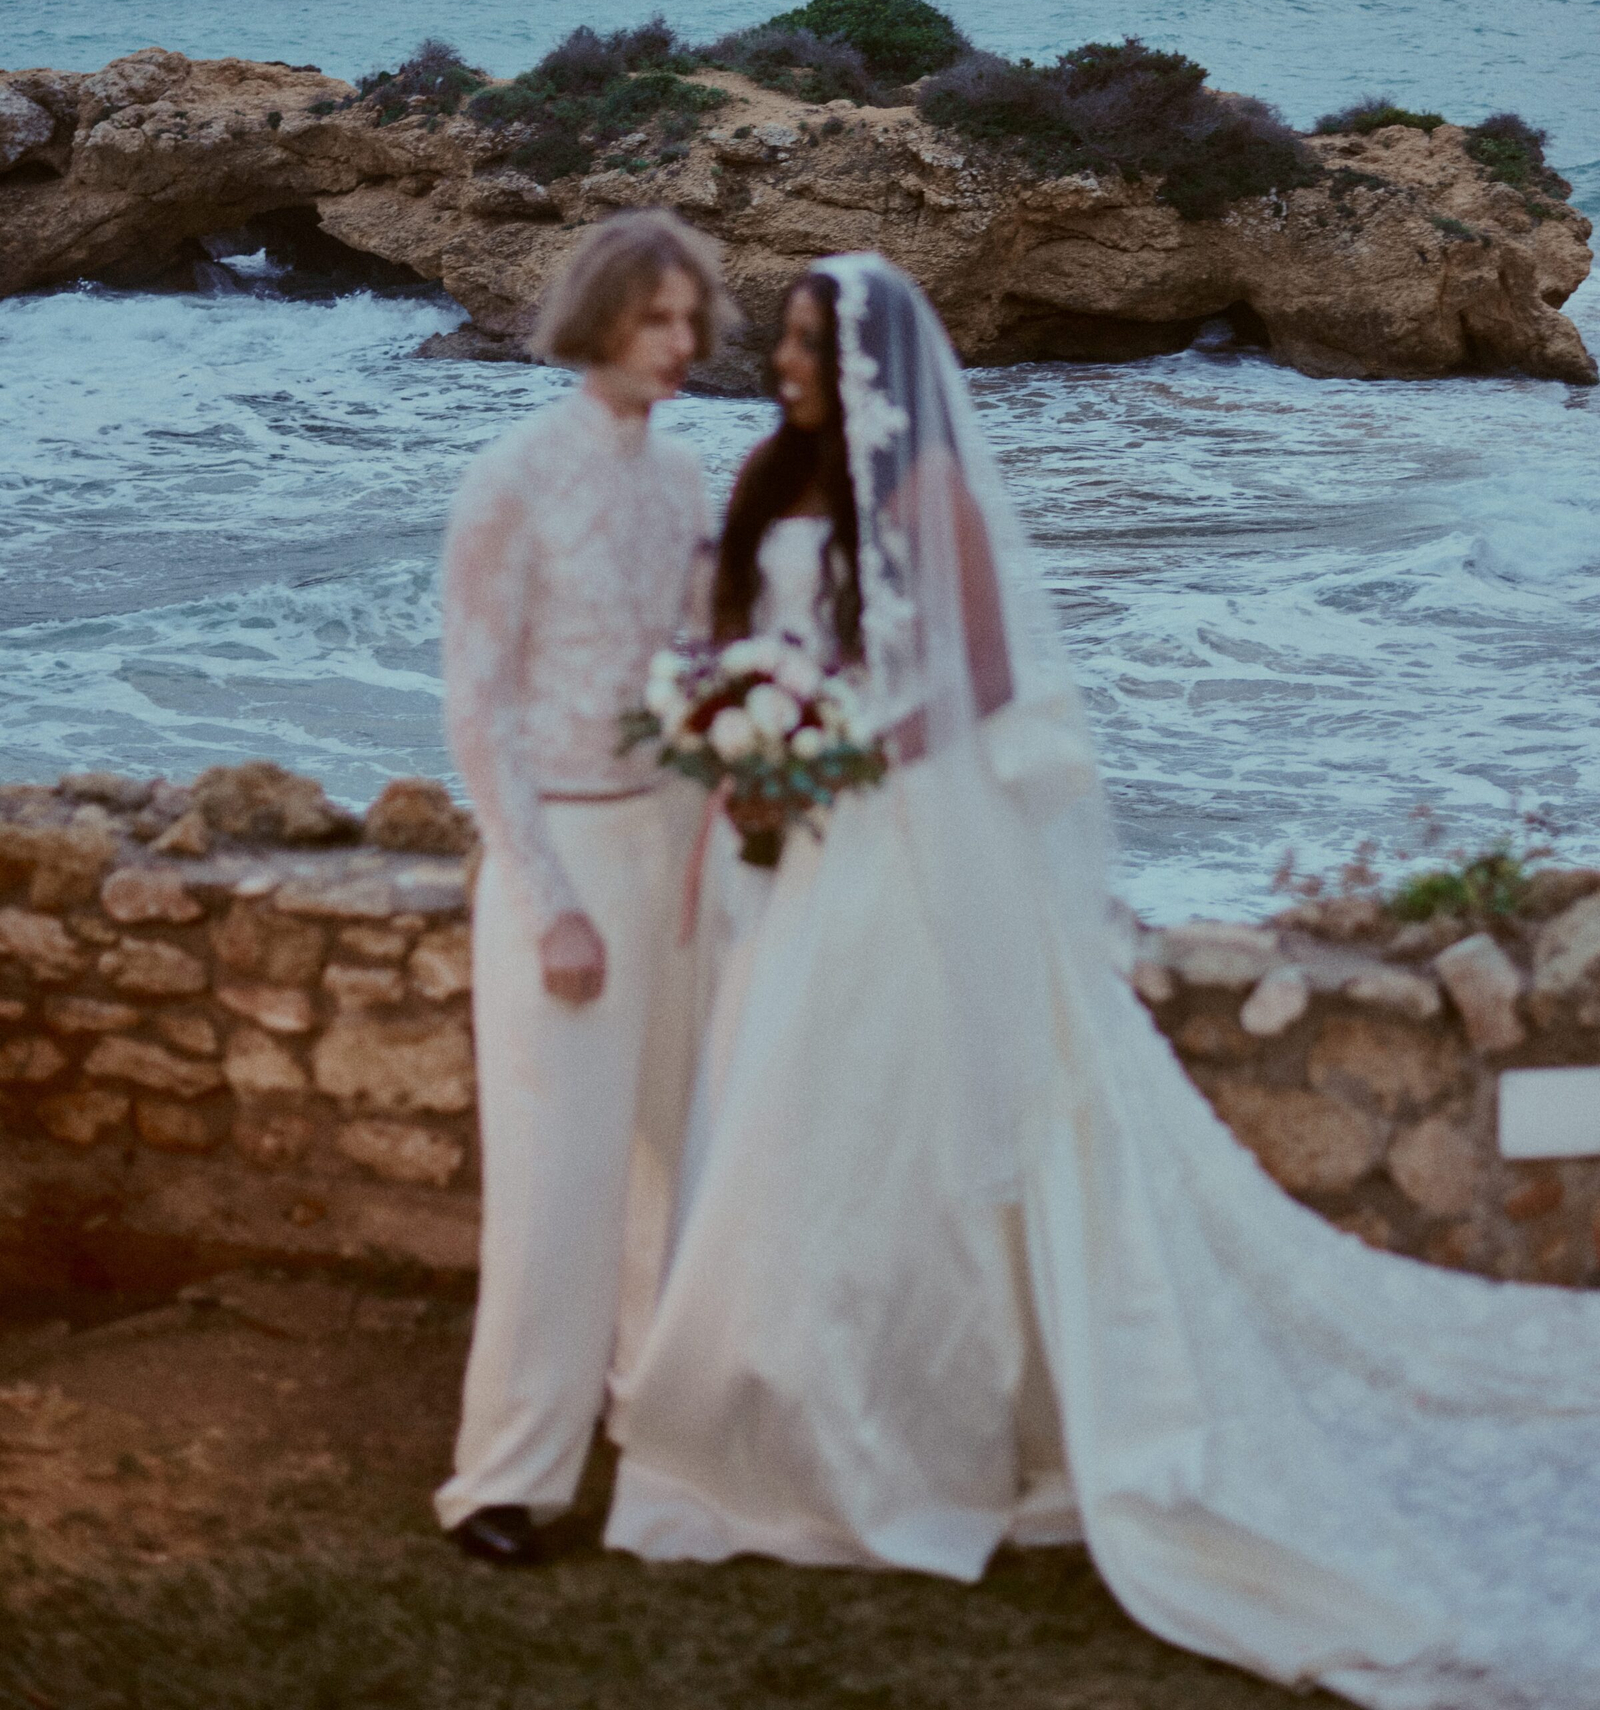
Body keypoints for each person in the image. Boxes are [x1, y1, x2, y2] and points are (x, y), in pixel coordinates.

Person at [607, 253, 1600, 1710]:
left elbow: (990, 680)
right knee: (781, 1108)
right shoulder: (767, 475)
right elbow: (744, 644)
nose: (790, 362)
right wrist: (744, 735)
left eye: (815, 344)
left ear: (876, 359)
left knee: (882, 1114)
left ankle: (913, 1423)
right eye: (793, 341)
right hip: (789, 850)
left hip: (885, 839)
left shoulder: (931, 490)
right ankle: (781, 1399)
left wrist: (839, 744)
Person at [434, 208, 737, 1566]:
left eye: (693, 321)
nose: (683, 344)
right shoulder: (510, 474)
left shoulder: (682, 481)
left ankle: (650, 1423)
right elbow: (477, 706)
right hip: (553, 853)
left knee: (672, 1159)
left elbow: (699, 663)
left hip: (670, 843)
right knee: (556, 1182)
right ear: (601, 314)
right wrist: (547, 894)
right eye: (658, 317)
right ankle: (506, 1478)